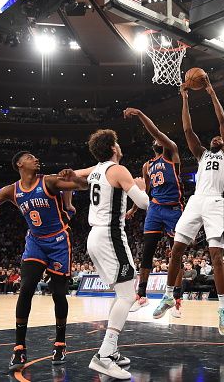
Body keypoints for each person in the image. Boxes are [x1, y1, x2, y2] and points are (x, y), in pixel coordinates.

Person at [59, 128, 149, 379]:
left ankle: (113, 351)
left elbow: (67, 177)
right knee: (128, 295)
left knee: (121, 294)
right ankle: (104, 355)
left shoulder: (95, 169)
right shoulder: (118, 170)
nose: (120, 147)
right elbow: (144, 204)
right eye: (117, 143)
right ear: (113, 149)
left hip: (95, 237)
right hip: (110, 236)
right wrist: (142, 187)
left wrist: (68, 202)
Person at [153, 75, 224, 336]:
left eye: (219, 138)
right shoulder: (201, 154)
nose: (216, 138)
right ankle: (168, 296)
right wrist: (185, 98)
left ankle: (222, 309)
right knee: (176, 250)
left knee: (216, 257)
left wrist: (211, 93)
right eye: (213, 138)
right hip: (196, 200)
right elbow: (188, 131)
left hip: (214, 202)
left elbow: (222, 122)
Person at [0, 151, 83, 371]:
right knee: (26, 288)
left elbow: (82, 186)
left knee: (59, 294)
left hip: (59, 241)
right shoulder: (11, 190)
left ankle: (60, 343)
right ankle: (19, 348)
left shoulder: (48, 181)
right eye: (30, 157)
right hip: (35, 242)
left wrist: (73, 178)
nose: (36, 159)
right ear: (20, 164)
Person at [122, 108, 185, 317]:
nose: (158, 140)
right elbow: (146, 191)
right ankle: (141, 295)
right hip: (155, 209)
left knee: (175, 254)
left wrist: (140, 114)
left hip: (173, 209)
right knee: (147, 252)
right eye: (156, 140)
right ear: (153, 145)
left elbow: (156, 131)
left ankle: (176, 300)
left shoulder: (172, 152)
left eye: (161, 138)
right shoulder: (147, 165)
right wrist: (133, 208)